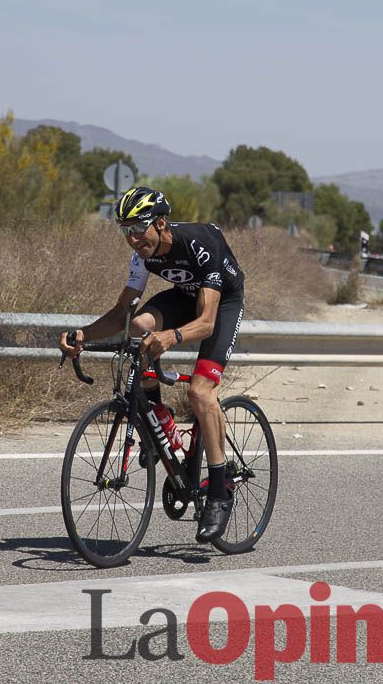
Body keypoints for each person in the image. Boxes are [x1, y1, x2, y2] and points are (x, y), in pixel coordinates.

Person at [58, 186, 245, 543]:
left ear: (160, 223)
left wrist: (171, 337)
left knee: (200, 392)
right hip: (184, 297)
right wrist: (83, 335)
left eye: (138, 227)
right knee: (139, 328)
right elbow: (120, 313)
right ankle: (158, 417)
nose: (131, 238)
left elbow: (205, 323)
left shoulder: (200, 243)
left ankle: (220, 492)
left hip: (220, 306)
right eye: (124, 230)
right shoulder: (141, 256)